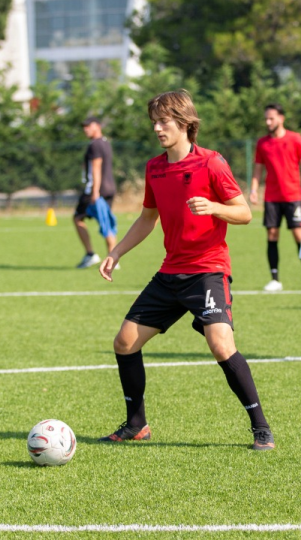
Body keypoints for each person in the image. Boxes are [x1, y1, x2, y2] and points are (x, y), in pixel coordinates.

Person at [97, 90, 275, 451]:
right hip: (170, 273)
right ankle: (136, 425)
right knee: (124, 341)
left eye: (164, 122)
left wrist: (213, 207)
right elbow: (148, 218)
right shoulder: (155, 168)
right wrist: (116, 252)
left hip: (208, 270)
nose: (157, 128)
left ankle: (261, 428)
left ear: (184, 123)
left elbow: (244, 213)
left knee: (220, 344)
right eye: (154, 123)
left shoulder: (211, 163)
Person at [249, 103, 301, 292]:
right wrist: (254, 189)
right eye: (266, 118)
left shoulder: (295, 139)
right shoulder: (262, 143)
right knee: (272, 235)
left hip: (292, 196)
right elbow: (258, 170)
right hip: (271, 198)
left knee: (299, 235)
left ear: (281, 118)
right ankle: (275, 279)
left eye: (271, 118)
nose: (268, 121)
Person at [74, 116, 118, 269]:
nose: (85, 129)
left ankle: (91, 254)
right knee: (105, 222)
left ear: (97, 126)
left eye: (88, 126)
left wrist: (95, 192)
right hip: (109, 188)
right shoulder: (105, 142)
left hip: (96, 190)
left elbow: (96, 168)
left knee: (78, 218)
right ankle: (113, 258)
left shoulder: (95, 145)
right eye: (84, 127)